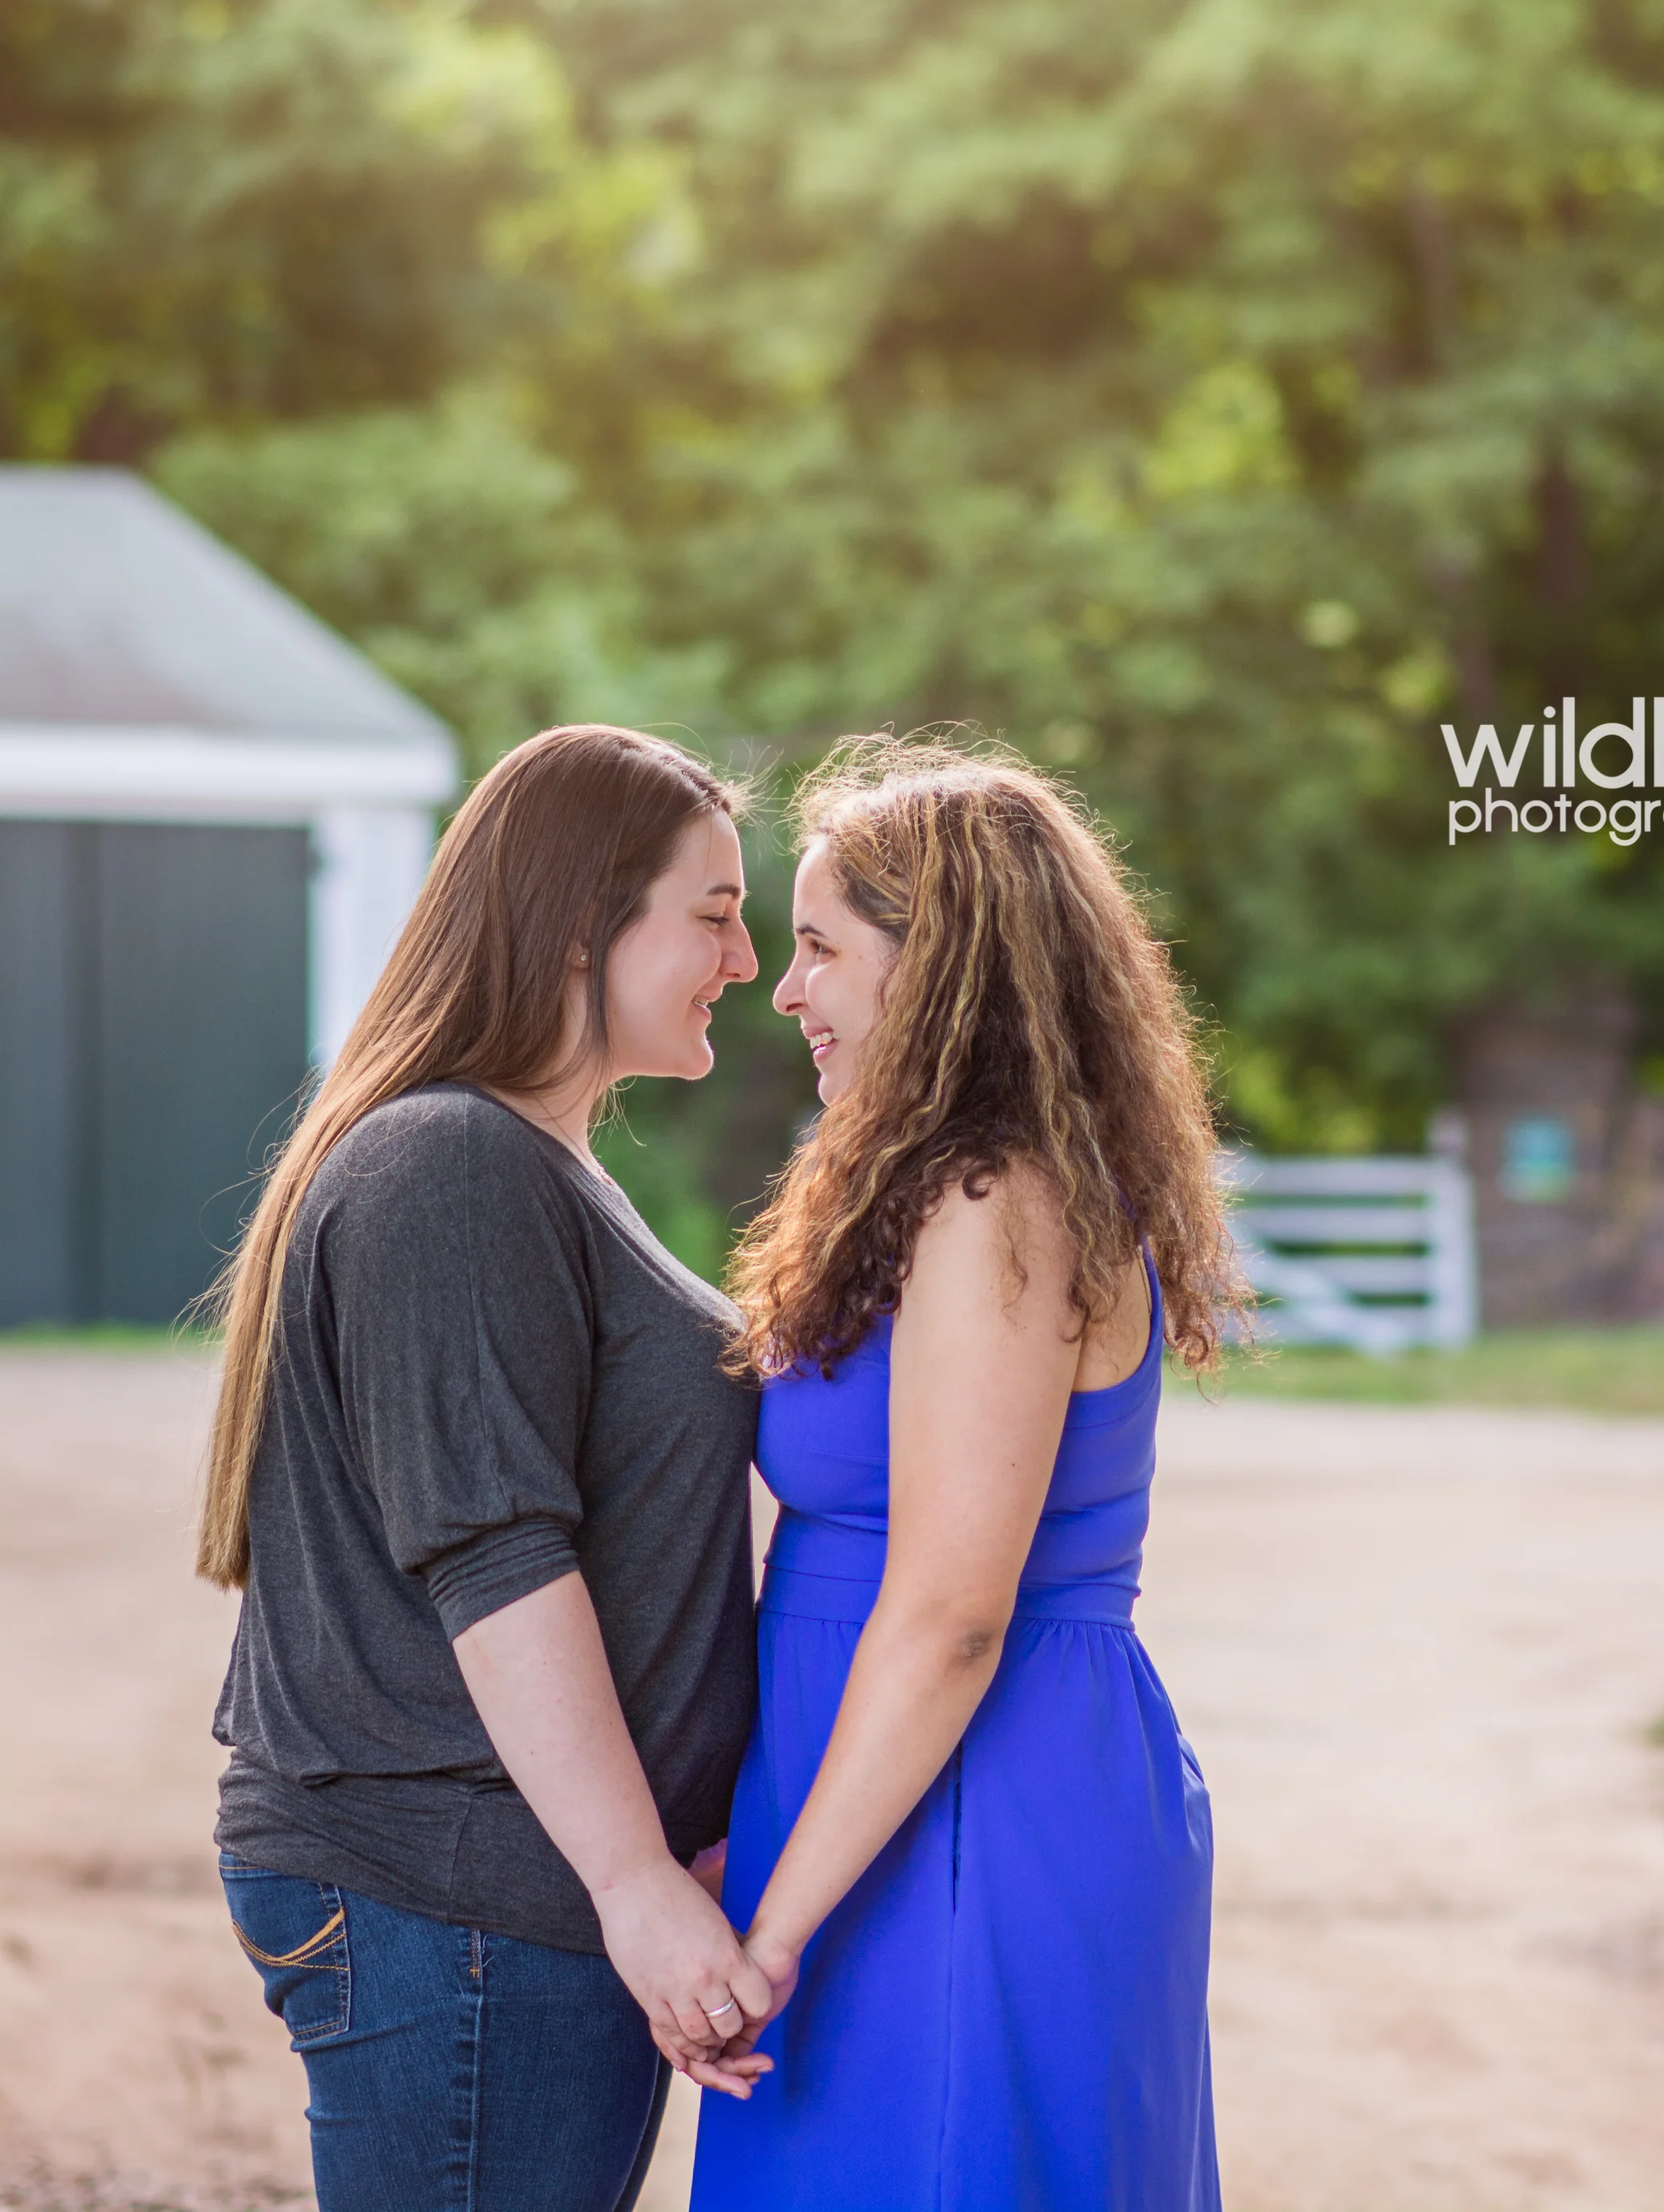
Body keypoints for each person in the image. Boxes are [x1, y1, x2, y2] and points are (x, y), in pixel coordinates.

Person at [199, 723, 774, 2212]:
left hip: (509, 1899)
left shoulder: (527, 1160)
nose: (750, 957)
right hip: (460, 1899)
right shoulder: (448, 1164)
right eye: (712, 911)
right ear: (583, 917)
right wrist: (638, 1886)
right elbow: (498, 1562)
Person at [686, 739, 1234, 2212]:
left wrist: (772, 1934)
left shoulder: (1000, 1200)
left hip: (976, 1808)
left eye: (819, 949)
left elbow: (949, 1617)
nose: (785, 989)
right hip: (881, 1797)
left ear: (939, 969)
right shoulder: (934, 1187)